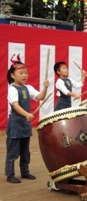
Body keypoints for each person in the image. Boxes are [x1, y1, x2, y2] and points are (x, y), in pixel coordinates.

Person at [5, 55, 49, 184]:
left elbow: (40, 97)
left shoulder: (28, 88)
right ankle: (10, 174)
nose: (24, 75)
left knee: (25, 150)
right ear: (13, 75)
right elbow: (15, 105)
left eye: (26, 73)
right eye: (21, 73)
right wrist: (27, 114)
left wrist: (45, 87)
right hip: (15, 123)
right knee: (12, 150)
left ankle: (25, 171)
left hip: (25, 123)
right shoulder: (12, 89)